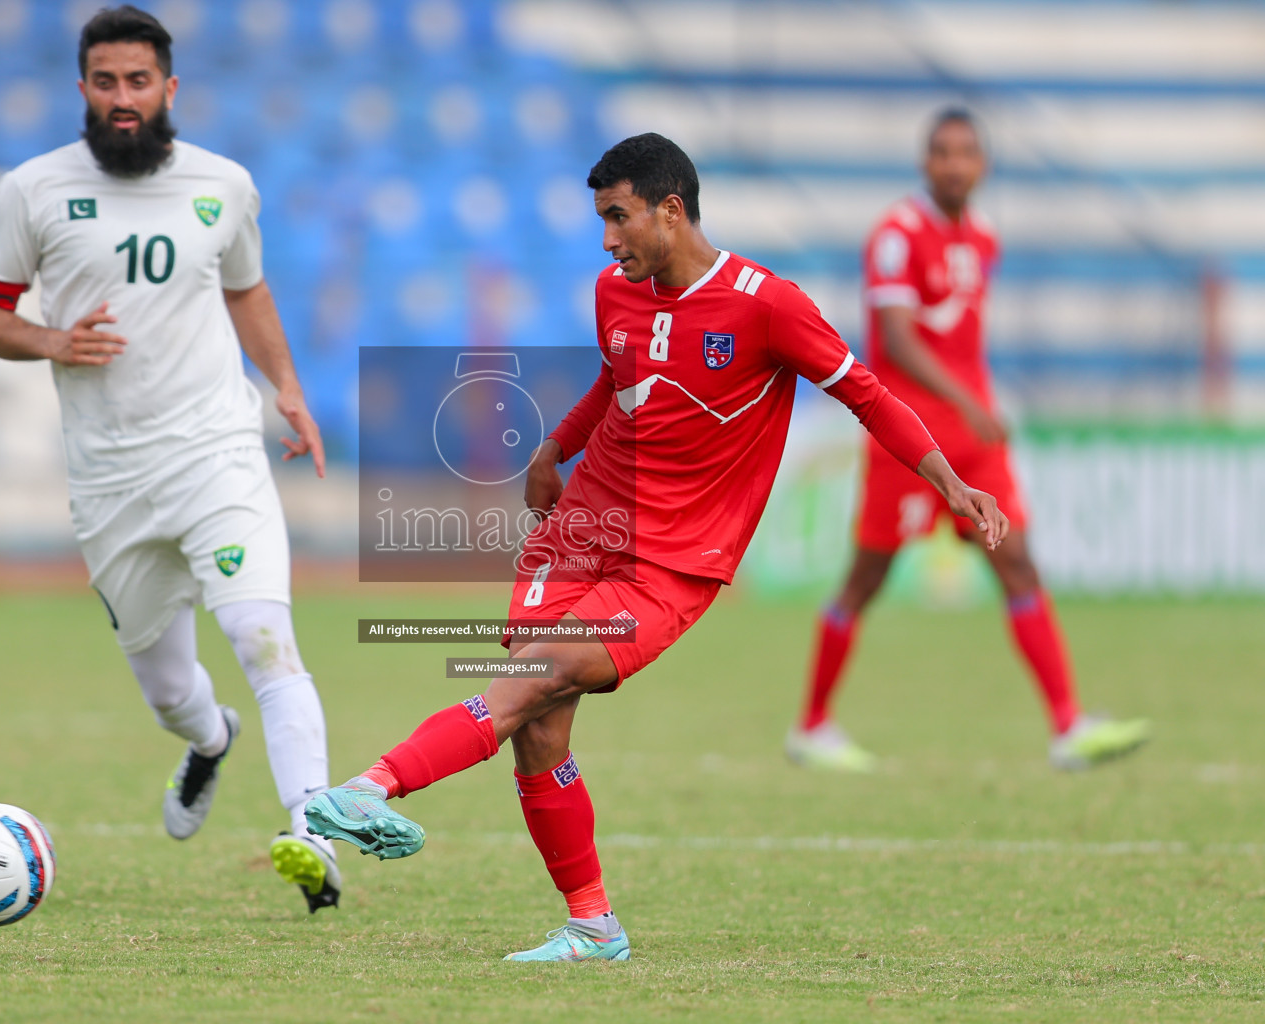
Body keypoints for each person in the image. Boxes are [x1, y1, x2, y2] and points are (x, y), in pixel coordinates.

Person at [304, 133, 1009, 961]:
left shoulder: (766, 304)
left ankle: (370, 785)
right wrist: (547, 454)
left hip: (674, 563)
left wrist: (948, 479)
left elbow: (866, 393)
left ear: (670, 211)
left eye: (618, 217)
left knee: (540, 673)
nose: (607, 240)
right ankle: (593, 924)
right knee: (538, 731)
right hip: (579, 535)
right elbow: (614, 381)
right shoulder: (615, 290)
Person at [0, 5, 341, 913]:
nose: (122, 98)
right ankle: (211, 741)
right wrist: (52, 341)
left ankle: (313, 833)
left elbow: (246, 288)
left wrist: (286, 386)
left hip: (217, 452)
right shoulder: (34, 190)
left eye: (139, 81)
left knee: (266, 640)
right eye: (106, 82)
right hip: (110, 481)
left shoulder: (225, 186)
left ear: (170, 89)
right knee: (171, 690)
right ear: (83, 89)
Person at [786, 108, 1151, 774]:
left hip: (975, 436)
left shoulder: (983, 237)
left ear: (981, 164)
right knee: (866, 579)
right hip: (911, 435)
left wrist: (976, 401)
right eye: (942, 152)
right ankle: (812, 725)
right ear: (925, 162)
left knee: (1018, 563)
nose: (954, 164)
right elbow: (896, 338)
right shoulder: (896, 235)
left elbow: (961, 339)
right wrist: (963, 399)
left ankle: (1068, 724)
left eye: (966, 152)